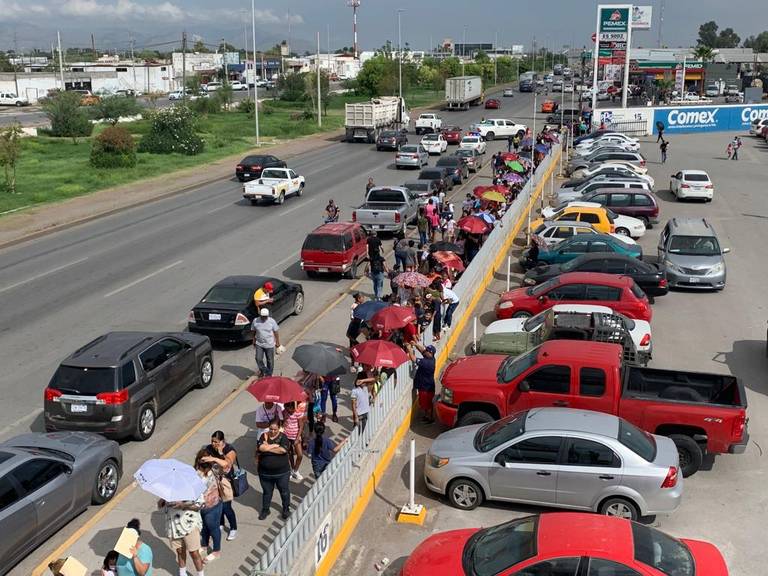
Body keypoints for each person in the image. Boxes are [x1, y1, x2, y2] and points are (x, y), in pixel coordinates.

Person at [203, 431, 238, 541]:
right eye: (212, 441)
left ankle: (233, 528)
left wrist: (217, 456)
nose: (214, 444)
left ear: (222, 441)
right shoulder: (209, 449)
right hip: (214, 481)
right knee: (218, 505)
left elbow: (227, 464)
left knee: (227, 507)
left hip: (225, 482)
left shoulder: (229, 450)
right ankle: (221, 523)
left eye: (216, 442)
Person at [157, 498, 205, 576]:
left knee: (194, 553)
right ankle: (182, 573)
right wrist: (163, 499)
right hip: (173, 526)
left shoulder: (191, 487)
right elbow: (159, 506)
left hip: (190, 525)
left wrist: (184, 506)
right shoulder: (169, 490)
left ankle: (201, 574)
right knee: (179, 551)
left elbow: (200, 506)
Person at [256, 418, 292, 520]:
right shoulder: (264, 435)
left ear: (279, 428)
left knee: (284, 491)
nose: (272, 431)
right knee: (267, 492)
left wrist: (268, 447)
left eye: (275, 429)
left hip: (282, 473)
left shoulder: (283, 437)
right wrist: (274, 446)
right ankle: (265, 509)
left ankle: (286, 509)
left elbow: (283, 450)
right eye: (271, 429)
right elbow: (261, 448)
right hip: (265, 473)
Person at [194, 450, 222, 564]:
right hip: (200, 506)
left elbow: (226, 466)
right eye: (202, 459)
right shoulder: (195, 470)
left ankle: (216, 550)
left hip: (213, 505)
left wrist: (214, 459)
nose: (204, 461)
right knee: (204, 527)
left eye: (207, 459)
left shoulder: (214, 468)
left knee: (213, 528)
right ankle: (204, 545)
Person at [408, 341, 436, 423]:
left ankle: (430, 418)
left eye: (427, 350)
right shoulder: (430, 358)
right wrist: (415, 344)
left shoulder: (426, 362)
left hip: (426, 387)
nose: (425, 351)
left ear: (430, 353)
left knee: (427, 404)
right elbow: (422, 350)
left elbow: (413, 358)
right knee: (426, 403)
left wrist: (409, 349)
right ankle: (427, 416)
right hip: (426, 385)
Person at [252, 308, 282, 377]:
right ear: (260, 315)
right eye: (263, 316)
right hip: (259, 344)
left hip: (270, 344)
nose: (264, 318)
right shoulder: (255, 321)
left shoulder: (272, 321)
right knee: (258, 358)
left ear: (267, 316)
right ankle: (264, 371)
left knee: (270, 361)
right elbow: (253, 331)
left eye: (265, 316)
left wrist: (278, 343)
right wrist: (253, 340)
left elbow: (276, 332)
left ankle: (269, 375)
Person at [282, 401, 307, 481]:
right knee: (289, 453)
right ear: (286, 407)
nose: (291, 410)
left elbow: (301, 426)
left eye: (292, 409)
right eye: (288, 409)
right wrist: (283, 422)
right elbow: (282, 422)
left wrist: (297, 438)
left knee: (300, 455)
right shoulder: (284, 412)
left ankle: (295, 470)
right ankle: (291, 469)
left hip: (295, 436)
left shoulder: (298, 413)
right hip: (286, 435)